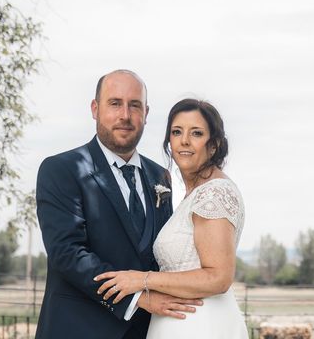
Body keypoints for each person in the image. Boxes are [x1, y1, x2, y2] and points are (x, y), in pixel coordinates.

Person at [35, 70, 201, 339]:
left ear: (146, 113)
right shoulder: (61, 169)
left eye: (134, 105)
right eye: (115, 103)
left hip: (147, 331)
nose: (125, 115)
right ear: (95, 108)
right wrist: (137, 298)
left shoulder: (161, 176)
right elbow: (67, 253)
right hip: (77, 329)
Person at [95, 98, 248, 339]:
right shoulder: (194, 193)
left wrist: (141, 280)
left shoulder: (213, 193)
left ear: (214, 145)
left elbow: (218, 277)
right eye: (177, 132)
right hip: (180, 322)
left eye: (196, 133)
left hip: (201, 326)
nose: (184, 140)